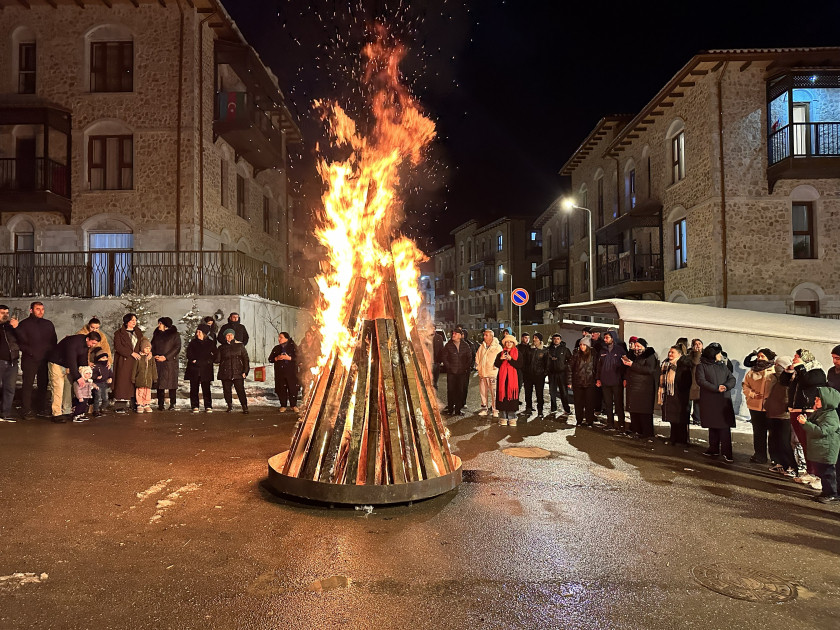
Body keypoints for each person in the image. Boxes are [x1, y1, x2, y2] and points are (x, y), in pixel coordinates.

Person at [779, 349, 827, 489]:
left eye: (797, 357)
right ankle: (809, 471)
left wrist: (800, 367)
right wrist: (788, 371)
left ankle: (819, 475)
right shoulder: (798, 372)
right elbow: (784, 382)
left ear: (805, 359)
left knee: (811, 443)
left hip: (808, 410)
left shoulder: (816, 371)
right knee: (802, 442)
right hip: (796, 409)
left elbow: (808, 382)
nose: (794, 360)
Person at [797, 386, 840, 504]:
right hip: (821, 450)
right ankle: (826, 492)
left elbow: (822, 431)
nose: (815, 401)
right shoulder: (821, 412)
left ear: (827, 401)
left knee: (828, 473)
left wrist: (805, 423)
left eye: (818, 399)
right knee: (822, 472)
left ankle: (832, 494)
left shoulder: (831, 416)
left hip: (827, 450)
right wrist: (806, 422)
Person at [47, 331, 101, 423]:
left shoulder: (86, 345)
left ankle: (66, 411)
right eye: (92, 343)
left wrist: (84, 374)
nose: (93, 345)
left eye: (95, 344)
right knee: (58, 388)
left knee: (68, 388)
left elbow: (82, 360)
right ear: (88, 339)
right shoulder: (73, 342)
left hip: (67, 366)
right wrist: (78, 377)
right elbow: (71, 360)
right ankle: (56, 414)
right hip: (57, 363)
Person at [15, 301, 57, 418]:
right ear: (31, 310)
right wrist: (31, 352)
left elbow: (53, 340)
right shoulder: (24, 324)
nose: (41, 311)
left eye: (42, 309)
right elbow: (19, 342)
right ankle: (26, 410)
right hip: (30, 359)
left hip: (44, 359)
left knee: (43, 384)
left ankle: (41, 408)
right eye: (38, 309)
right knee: (28, 385)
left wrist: (50, 354)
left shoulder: (48, 324)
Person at [696, 342, 737, 462]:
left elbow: (732, 378)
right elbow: (701, 381)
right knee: (713, 425)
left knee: (724, 427)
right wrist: (716, 388)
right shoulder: (702, 366)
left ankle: (727, 452)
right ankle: (713, 448)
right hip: (710, 399)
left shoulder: (722, 366)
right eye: (718, 353)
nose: (721, 355)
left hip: (723, 400)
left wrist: (726, 386)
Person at [741, 348, 777, 464]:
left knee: (773, 434)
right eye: (758, 356)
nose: (759, 358)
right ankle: (759, 455)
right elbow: (745, 385)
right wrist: (751, 394)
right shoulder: (752, 371)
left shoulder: (775, 371)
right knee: (758, 432)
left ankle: (775, 458)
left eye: (762, 356)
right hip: (755, 406)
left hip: (770, 407)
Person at [765, 356, 797, 477]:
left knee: (784, 441)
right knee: (776, 440)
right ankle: (782, 464)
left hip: (783, 414)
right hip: (774, 412)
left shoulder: (790, 378)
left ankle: (792, 465)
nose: (776, 367)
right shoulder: (774, 377)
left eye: (778, 365)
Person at [623, 338, 659, 439]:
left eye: (639, 346)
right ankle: (636, 430)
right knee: (635, 410)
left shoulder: (650, 355)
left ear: (644, 347)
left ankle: (647, 433)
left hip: (644, 388)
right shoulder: (634, 355)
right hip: (634, 387)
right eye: (636, 346)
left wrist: (632, 365)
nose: (637, 348)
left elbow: (649, 370)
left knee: (644, 412)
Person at [659, 345, 693, 445]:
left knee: (680, 418)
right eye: (669, 352)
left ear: (679, 354)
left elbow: (686, 381)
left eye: (672, 352)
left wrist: (679, 389)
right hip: (669, 394)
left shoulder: (683, 364)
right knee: (672, 418)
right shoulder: (666, 364)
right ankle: (673, 437)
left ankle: (682, 439)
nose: (670, 354)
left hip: (680, 395)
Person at [112, 314, 144, 414]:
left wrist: (144, 351)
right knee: (122, 381)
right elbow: (118, 346)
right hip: (124, 360)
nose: (134, 322)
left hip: (136, 360)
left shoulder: (138, 332)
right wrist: (130, 353)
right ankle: (120, 405)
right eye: (132, 320)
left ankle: (135, 403)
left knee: (134, 380)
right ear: (126, 322)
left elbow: (142, 342)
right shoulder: (119, 333)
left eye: (135, 320)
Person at [595, 329, 626, 431]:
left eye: (607, 337)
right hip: (605, 381)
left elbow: (625, 366)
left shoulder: (620, 350)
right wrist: (598, 379)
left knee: (618, 404)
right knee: (608, 404)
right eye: (604, 337)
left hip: (617, 381)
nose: (605, 339)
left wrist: (624, 378)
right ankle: (610, 423)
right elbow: (599, 366)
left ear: (613, 338)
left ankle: (621, 424)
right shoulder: (602, 350)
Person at [185, 324, 217, 413]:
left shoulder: (210, 343)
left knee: (206, 388)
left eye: (200, 332)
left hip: (206, 369)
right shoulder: (193, 343)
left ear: (204, 333)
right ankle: (195, 405)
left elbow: (215, 355)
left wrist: (208, 361)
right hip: (194, 369)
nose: (198, 333)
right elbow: (189, 354)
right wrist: (193, 360)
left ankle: (208, 405)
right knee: (194, 388)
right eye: (197, 331)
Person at [151, 317, 181, 411]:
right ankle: (160, 404)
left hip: (170, 362)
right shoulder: (157, 334)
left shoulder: (174, 335)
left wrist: (166, 357)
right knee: (160, 383)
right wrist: (155, 355)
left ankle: (173, 403)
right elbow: (152, 345)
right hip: (158, 361)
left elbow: (177, 347)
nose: (159, 325)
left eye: (160, 323)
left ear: (166, 326)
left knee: (172, 383)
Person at [217, 328, 249, 414]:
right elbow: (217, 360)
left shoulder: (240, 346)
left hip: (238, 371)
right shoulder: (221, 347)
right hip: (225, 371)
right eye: (227, 335)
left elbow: (245, 359)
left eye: (231, 335)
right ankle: (229, 405)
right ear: (225, 337)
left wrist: (245, 371)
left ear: (234, 336)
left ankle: (244, 406)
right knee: (227, 390)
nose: (229, 336)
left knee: (240, 390)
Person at [442, 327, 472, 416]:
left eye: (455, 334)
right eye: (453, 333)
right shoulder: (448, 345)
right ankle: (450, 409)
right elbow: (444, 357)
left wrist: (465, 368)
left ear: (460, 335)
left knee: (460, 391)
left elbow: (469, 358)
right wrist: (449, 367)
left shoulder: (465, 345)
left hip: (462, 373)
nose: (453, 335)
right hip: (452, 372)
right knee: (451, 390)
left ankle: (458, 410)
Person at [494, 333, 521, 426]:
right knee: (502, 399)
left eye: (511, 342)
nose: (509, 344)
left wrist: (510, 359)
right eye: (507, 342)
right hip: (503, 381)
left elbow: (520, 365)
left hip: (512, 381)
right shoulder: (500, 353)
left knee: (511, 399)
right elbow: (496, 364)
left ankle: (512, 418)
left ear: (514, 343)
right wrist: (501, 359)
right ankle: (503, 418)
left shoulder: (518, 353)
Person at [570, 337, 597, 427]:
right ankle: (579, 420)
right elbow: (570, 368)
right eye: (581, 345)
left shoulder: (593, 355)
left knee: (589, 403)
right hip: (578, 382)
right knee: (578, 403)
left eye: (584, 345)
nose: (582, 346)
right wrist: (569, 381)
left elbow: (597, 368)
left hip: (590, 382)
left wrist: (597, 379)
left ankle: (589, 421)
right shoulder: (576, 354)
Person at [475, 329, 502, 418]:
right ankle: (484, 409)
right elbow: (477, 357)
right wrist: (478, 367)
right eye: (484, 335)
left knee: (494, 393)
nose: (484, 337)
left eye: (486, 335)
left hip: (492, 374)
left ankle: (495, 409)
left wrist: (495, 368)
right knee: (483, 392)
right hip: (483, 373)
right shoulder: (482, 346)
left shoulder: (497, 347)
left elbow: (501, 360)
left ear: (491, 336)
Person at [269, 332, 299, 412]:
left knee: (292, 389)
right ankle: (283, 405)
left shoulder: (293, 347)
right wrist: (277, 358)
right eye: (279, 337)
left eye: (281, 337)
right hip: (280, 372)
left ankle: (293, 405)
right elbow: (270, 359)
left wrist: (289, 358)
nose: (279, 339)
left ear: (286, 338)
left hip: (291, 372)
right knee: (281, 389)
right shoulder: (277, 348)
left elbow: (299, 358)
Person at [0, 305, 20, 422]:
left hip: (12, 361)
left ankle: (5, 414)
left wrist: (16, 328)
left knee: (10, 388)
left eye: (7, 312)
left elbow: (22, 339)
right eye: (2, 312)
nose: (6, 315)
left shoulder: (11, 327)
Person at [523, 332, 549, 417]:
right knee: (528, 393)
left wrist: (543, 374)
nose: (534, 340)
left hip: (539, 376)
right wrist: (525, 372)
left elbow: (547, 364)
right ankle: (528, 408)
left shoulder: (544, 350)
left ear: (540, 340)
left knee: (539, 393)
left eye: (536, 338)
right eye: (534, 338)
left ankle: (540, 410)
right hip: (528, 375)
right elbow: (525, 362)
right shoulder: (529, 349)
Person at [547, 333, 572, 417]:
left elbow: (570, 360)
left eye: (557, 339)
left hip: (562, 373)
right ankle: (553, 408)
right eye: (554, 339)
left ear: (560, 340)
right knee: (552, 392)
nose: (556, 340)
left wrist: (565, 366)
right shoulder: (549, 349)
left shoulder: (565, 349)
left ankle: (566, 409)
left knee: (563, 392)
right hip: (552, 373)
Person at [132, 339, 157, 413]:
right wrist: (133, 378)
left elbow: (154, 368)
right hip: (140, 378)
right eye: (146, 348)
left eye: (149, 348)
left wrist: (155, 377)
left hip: (148, 379)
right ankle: (140, 404)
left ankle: (146, 404)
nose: (148, 350)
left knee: (147, 392)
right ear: (142, 348)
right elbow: (134, 369)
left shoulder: (151, 358)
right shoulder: (139, 358)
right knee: (140, 392)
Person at [297, 327, 321, 400]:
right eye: (306, 335)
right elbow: (298, 355)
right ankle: (305, 400)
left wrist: (313, 364)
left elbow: (319, 356)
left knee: (314, 384)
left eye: (309, 335)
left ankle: (313, 399)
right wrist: (300, 362)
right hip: (304, 368)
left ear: (313, 337)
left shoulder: (317, 346)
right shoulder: (302, 345)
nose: (307, 337)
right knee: (305, 384)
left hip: (314, 368)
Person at [91, 348, 112, 418]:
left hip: (104, 383)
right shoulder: (96, 366)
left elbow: (110, 373)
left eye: (106, 358)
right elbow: (91, 375)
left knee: (105, 397)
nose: (105, 359)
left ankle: (103, 408)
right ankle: (96, 410)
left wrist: (110, 378)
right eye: (103, 358)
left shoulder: (107, 366)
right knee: (98, 397)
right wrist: (96, 377)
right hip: (97, 383)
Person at [688, 339, 703, 425]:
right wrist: (697, 353)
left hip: (700, 381)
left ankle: (697, 418)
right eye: (695, 344)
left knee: (698, 402)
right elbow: (695, 362)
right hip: (692, 381)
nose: (697, 345)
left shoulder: (705, 355)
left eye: (699, 344)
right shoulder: (691, 355)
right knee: (690, 401)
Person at [516, 332, 531, 403]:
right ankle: (516, 399)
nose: (527, 339)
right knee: (518, 385)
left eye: (528, 338)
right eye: (525, 338)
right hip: (520, 369)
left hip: (528, 369)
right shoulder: (518, 347)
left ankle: (528, 404)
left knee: (528, 387)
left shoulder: (530, 347)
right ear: (522, 338)